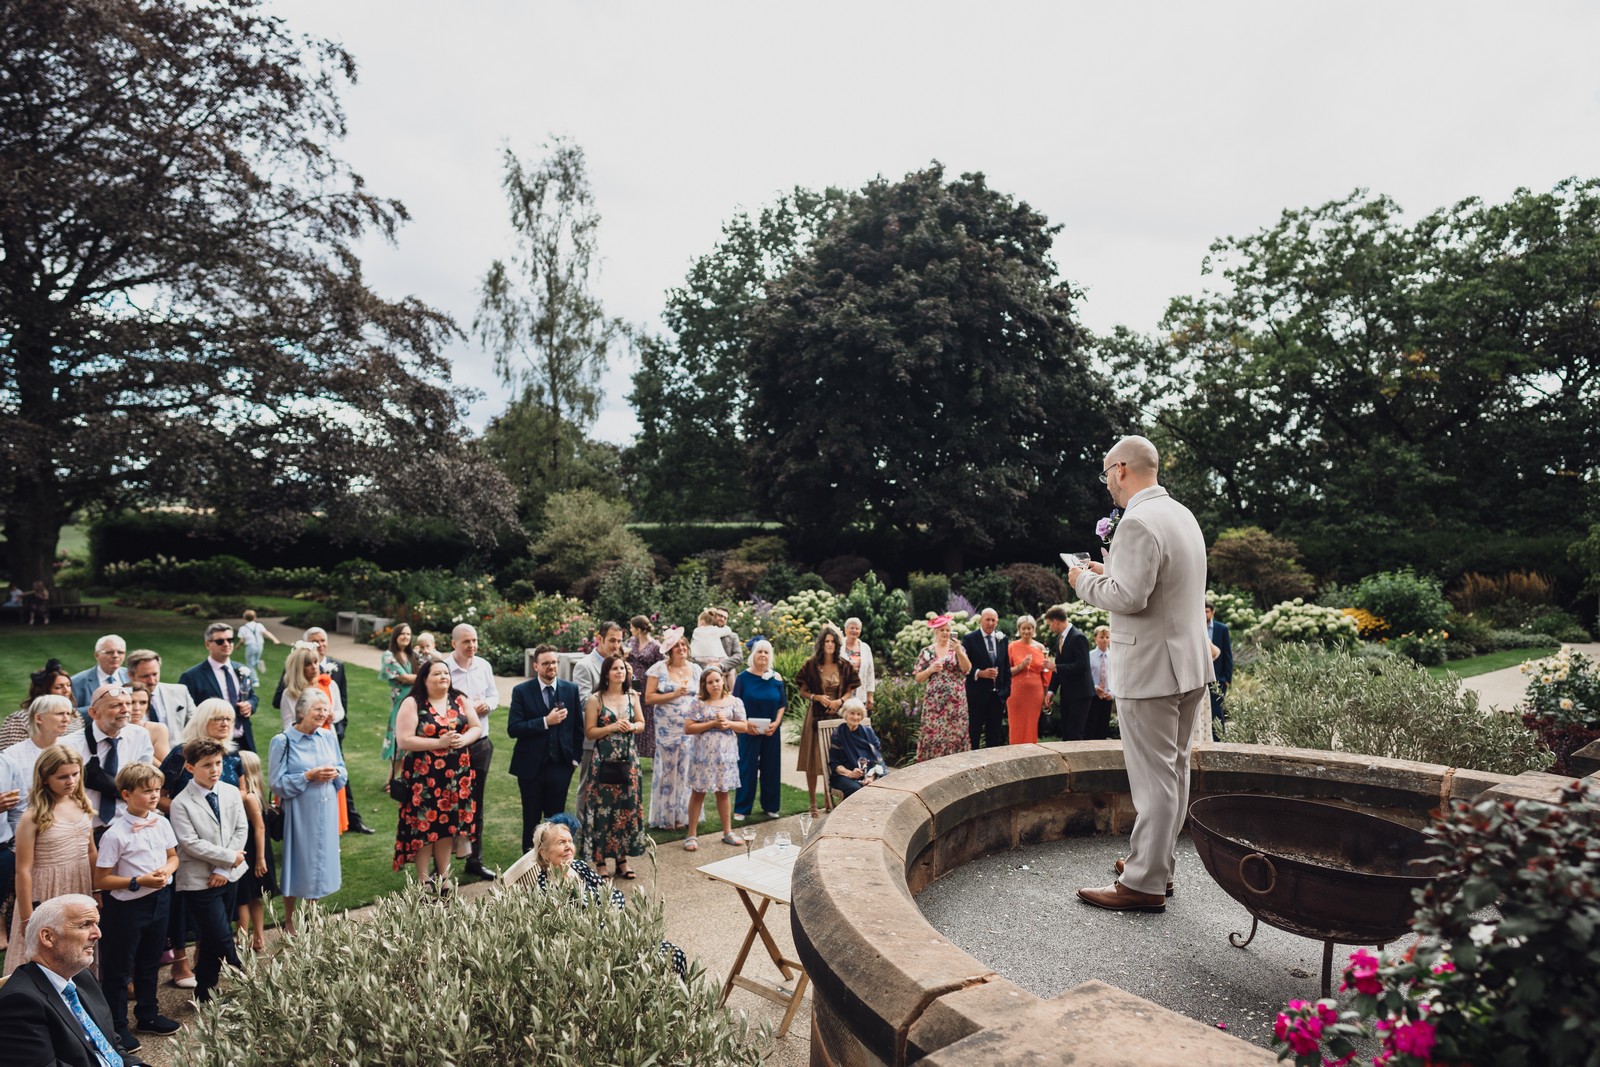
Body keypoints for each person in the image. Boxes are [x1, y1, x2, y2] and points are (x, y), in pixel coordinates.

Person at [1068, 434, 1212, 913]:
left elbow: (1130, 598)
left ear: (1122, 469)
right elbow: (1157, 584)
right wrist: (1107, 570)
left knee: (1154, 780)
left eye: (1107, 472)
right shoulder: (1181, 515)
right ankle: (1156, 864)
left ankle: (1144, 884)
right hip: (1189, 664)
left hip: (1152, 669)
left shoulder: (1137, 521)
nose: (1107, 482)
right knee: (1173, 771)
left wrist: (1083, 581)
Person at [0, 894, 151, 1067]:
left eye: (96, 924)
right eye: (85, 925)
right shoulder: (19, 1002)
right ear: (48, 937)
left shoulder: (81, 977)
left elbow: (111, 1045)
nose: (98, 934)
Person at [91, 763, 181, 1049]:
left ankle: (148, 1014)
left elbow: (173, 857)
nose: (154, 796)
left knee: (149, 961)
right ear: (127, 794)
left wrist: (167, 870)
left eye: (156, 790)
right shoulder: (115, 834)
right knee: (119, 969)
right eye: (147, 791)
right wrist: (137, 880)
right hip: (127, 909)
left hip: (159, 901)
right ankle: (116, 1027)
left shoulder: (161, 822)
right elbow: (102, 879)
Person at [529, 821, 686, 977]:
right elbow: (568, 933)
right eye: (561, 842)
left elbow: (612, 893)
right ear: (543, 852)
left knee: (676, 955)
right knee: (663, 962)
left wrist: (613, 918)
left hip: (618, 933)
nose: (569, 846)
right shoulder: (547, 889)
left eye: (570, 841)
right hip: (599, 952)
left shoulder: (578, 867)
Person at [6, 745, 96, 977]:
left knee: (79, 945)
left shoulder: (83, 805)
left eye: (75, 774)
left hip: (80, 882)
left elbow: (91, 851)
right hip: (48, 889)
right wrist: (28, 917)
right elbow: (23, 870)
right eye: (62, 777)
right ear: (45, 779)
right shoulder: (33, 816)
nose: (71, 781)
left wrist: (96, 892)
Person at [391, 659, 480, 891]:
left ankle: (444, 876)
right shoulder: (413, 703)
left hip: (456, 776)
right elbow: (404, 740)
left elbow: (475, 727)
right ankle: (422, 880)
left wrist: (464, 739)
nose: (444, 677)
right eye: (437, 674)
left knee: (447, 826)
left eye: (446, 673)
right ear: (424, 678)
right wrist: (438, 742)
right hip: (425, 777)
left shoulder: (459, 699)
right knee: (424, 825)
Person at [170, 738, 247, 1003]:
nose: (214, 770)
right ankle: (245, 973)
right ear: (190, 768)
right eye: (206, 765)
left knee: (214, 939)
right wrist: (227, 858)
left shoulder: (230, 791)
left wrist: (225, 868)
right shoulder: (181, 803)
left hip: (229, 876)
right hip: (198, 881)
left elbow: (241, 829)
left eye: (218, 763)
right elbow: (190, 844)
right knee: (220, 935)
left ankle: (205, 991)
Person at [269, 690, 347, 930]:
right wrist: (307, 776)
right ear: (301, 712)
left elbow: (343, 770)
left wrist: (335, 774)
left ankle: (312, 914)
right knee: (298, 861)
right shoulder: (283, 741)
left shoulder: (327, 736)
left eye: (325, 709)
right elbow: (276, 783)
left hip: (327, 808)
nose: (323, 714)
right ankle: (291, 920)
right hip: (300, 810)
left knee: (321, 860)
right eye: (317, 709)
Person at [507, 645, 583, 853]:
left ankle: (553, 863)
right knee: (531, 818)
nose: (551, 666)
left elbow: (578, 729)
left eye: (554, 662)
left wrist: (574, 760)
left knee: (555, 820)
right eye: (546, 663)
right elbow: (513, 729)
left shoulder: (570, 689)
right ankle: (529, 864)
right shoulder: (521, 691)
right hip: (531, 767)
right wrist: (544, 721)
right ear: (536, 666)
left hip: (561, 766)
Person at [578, 655, 647, 879]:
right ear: (606, 673)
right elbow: (590, 732)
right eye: (615, 669)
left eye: (622, 669)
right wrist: (612, 727)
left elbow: (642, 724)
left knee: (625, 809)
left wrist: (632, 726)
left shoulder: (632, 697)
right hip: (604, 762)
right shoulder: (595, 700)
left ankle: (622, 860)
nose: (620, 672)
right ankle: (600, 861)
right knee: (603, 810)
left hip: (629, 761)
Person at [446, 623, 497, 879]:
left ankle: (475, 859)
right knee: (447, 803)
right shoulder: (443, 669)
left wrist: (487, 704)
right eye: (466, 641)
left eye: (475, 640)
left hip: (480, 744)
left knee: (476, 804)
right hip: (452, 747)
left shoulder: (483, 666)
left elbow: (494, 695)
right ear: (453, 643)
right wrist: (465, 713)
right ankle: (440, 864)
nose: (472, 646)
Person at [796, 625, 860, 816]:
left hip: (837, 716)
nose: (830, 644)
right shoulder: (811, 665)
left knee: (833, 757)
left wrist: (840, 701)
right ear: (821, 644)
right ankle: (813, 803)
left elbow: (851, 689)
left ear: (837, 644)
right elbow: (802, 690)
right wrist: (817, 697)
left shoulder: (844, 665)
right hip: (815, 716)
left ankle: (828, 798)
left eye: (833, 641)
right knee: (812, 759)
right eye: (826, 641)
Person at [643, 628, 700, 831]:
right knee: (667, 772)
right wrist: (674, 694)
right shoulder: (658, 669)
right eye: (677, 646)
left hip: (689, 729)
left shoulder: (695, 669)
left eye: (683, 645)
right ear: (670, 650)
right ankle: (665, 817)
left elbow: (701, 697)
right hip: (667, 728)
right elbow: (649, 698)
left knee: (686, 771)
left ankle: (682, 817)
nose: (681, 648)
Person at [683, 666, 746, 850]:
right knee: (698, 793)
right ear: (704, 685)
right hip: (702, 757)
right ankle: (691, 835)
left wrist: (727, 723)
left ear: (723, 681)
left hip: (725, 757)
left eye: (717, 680)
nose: (714, 684)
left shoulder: (734, 701)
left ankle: (727, 832)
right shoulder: (698, 703)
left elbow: (744, 726)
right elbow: (688, 728)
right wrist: (712, 723)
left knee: (723, 793)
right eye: (710, 682)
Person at [81, 684, 155, 837]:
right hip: (86, 832)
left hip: (130, 829)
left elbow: (146, 782)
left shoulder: (140, 736)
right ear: (94, 712)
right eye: (116, 705)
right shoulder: (70, 745)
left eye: (127, 703)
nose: (126, 709)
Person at [572, 621, 626, 828]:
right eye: (612, 640)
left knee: (612, 788)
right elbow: (583, 702)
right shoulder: (585, 666)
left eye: (619, 641)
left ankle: (606, 829)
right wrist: (610, 690)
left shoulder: (621, 664)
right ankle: (583, 832)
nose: (616, 645)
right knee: (587, 787)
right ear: (599, 639)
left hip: (618, 740)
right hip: (593, 737)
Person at [178, 622, 257, 753]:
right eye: (220, 641)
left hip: (243, 739)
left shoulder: (241, 670)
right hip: (211, 743)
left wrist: (250, 704)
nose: (226, 644)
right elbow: (186, 713)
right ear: (208, 644)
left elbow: (252, 696)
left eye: (230, 640)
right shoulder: (192, 676)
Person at [731, 640, 786, 821]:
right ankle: (742, 808)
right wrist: (745, 724)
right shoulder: (742, 678)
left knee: (771, 767)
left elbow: (781, 704)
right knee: (747, 768)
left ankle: (771, 806)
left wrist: (776, 723)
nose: (763, 655)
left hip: (771, 731)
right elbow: (735, 704)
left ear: (770, 656)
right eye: (759, 651)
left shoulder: (776, 678)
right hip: (749, 731)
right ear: (753, 654)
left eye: (766, 652)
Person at [158, 698, 242, 807]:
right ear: (202, 721)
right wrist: (186, 812)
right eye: (218, 718)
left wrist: (227, 807)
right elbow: (159, 796)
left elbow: (243, 789)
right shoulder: (182, 752)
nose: (225, 724)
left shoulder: (232, 753)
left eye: (228, 719)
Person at [233, 749, 277, 953]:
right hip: (255, 850)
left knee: (244, 897)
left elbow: (259, 827)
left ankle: (243, 937)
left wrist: (260, 858)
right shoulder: (255, 794)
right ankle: (257, 937)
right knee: (253, 897)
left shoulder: (248, 797)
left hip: (252, 851)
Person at [913, 616, 972, 762]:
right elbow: (918, 678)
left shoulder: (959, 649)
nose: (945, 633)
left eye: (947, 630)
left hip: (956, 703)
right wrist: (930, 670)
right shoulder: (927, 651)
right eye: (942, 630)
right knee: (933, 734)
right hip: (935, 704)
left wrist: (958, 650)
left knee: (955, 733)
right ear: (935, 632)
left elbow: (967, 669)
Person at [960, 608, 1011, 750]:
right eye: (987, 619)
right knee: (974, 735)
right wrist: (979, 673)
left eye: (993, 620)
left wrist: (1005, 692)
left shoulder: (1002, 639)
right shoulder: (970, 639)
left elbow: (1006, 667)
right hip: (977, 696)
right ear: (980, 620)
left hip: (997, 697)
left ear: (997, 622)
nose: (990, 623)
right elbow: (962, 667)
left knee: (994, 737)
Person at [0, 660, 79, 751]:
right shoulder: (19, 720)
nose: (66, 690)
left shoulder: (76, 716)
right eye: (58, 687)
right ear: (43, 690)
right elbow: (7, 755)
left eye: (68, 685)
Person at [1043, 606, 1093, 741]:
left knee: (1075, 733)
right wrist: (1051, 691)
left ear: (1055, 622)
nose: (1050, 628)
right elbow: (1057, 668)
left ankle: (1077, 762)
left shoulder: (1078, 637)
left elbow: (1082, 665)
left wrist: (1056, 667)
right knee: (1066, 732)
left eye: (1049, 624)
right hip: (1067, 693)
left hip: (1080, 694)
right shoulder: (1060, 638)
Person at [124, 649, 195, 742]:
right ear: (131, 675)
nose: (152, 680)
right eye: (145, 676)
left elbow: (197, 724)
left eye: (155, 674)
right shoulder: (122, 698)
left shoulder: (180, 692)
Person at [279, 642, 346, 733]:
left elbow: (340, 710)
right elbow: (288, 724)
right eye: (308, 664)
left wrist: (333, 716)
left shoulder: (330, 685)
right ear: (298, 668)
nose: (314, 667)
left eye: (315, 662)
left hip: (328, 737)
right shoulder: (290, 693)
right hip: (301, 741)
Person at [828, 698, 886, 799]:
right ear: (845, 714)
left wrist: (870, 776)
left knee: (884, 785)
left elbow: (876, 759)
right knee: (857, 790)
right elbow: (834, 763)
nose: (855, 717)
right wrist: (850, 773)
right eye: (852, 713)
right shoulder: (839, 734)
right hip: (844, 776)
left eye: (859, 714)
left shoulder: (868, 732)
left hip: (869, 774)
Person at [1005, 615, 1048, 744]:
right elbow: (1005, 672)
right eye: (1023, 628)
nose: (1026, 632)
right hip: (1016, 693)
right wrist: (1021, 666)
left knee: (1031, 724)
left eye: (1029, 628)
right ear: (1019, 629)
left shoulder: (1041, 648)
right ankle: (1016, 752)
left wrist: (1046, 694)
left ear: (1033, 629)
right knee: (1016, 724)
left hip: (1035, 693)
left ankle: (1031, 752)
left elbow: (1045, 673)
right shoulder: (1012, 646)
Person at [624, 616, 662, 759]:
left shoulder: (656, 646)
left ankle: (651, 751)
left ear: (638, 629)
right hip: (631, 683)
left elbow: (660, 667)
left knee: (647, 718)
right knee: (632, 713)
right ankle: (632, 751)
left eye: (632, 627)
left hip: (647, 685)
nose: (630, 630)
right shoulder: (631, 642)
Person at [380, 623, 417, 767]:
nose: (406, 637)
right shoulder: (388, 655)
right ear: (396, 636)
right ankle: (391, 779)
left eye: (408, 634)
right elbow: (404, 677)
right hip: (400, 702)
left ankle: (401, 779)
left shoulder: (412, 654)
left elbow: (433, 657)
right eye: (403, 634)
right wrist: (425, 677)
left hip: (414, 700)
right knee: (397, 737)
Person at [69, 634, 128, 711]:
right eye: (110, 652)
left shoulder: (131, 676)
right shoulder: (77, 682)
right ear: (97, 655)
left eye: (120, 652)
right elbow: (71, 713)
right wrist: (100, 709)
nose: (115, 656)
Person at [124, 684, 170, 765]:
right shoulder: (110, 729)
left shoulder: (158, 729)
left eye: (143, 702)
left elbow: (164, 768)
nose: (137, 708)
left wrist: (142, 749)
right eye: (131, 702)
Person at [1207, 600, 1234, 740]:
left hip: (1218, 679)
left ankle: (1220, 741)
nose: (1204, 614)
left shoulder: (1222, 629)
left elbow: (1227, 654)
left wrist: (1227, 679)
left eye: (1207, 611)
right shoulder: (1196, 627)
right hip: (1202, 679)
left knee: (1217, 711)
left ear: (1213, 612)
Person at [840, 617, 877, 714]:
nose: (854, 631)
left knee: (858, 721)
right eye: (851, 628)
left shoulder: (865, 648)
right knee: (842, 721)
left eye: (857, 628)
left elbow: (870, 673)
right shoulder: (838, 645)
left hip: (860, 693)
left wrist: (870, 695)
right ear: (845, 629)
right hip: (841, 693)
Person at [1088, 625, 1114, 741]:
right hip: (1093, 695)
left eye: (1107, 637)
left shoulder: (1114, 656)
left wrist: (1112, 693)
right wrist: (1094, 687)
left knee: (1103, 727)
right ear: (1095, 639)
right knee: (1091, 726)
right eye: (1102, 637)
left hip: (1107, 696)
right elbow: (1086, 675)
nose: (1105, 640)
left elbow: (1117, 676)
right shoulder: (1090, 656)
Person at [235, 609, 279, 678]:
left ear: (244, 618)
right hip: (260, 645)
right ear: (255, 617)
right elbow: (267, 633)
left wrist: (238, 646)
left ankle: (255, 680)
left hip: (250, 646)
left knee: (250, 664)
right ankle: (258, 662)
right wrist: (275, 639)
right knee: (255, 659)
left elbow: (242, 640)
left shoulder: (243, 628)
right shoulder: (259, 625)